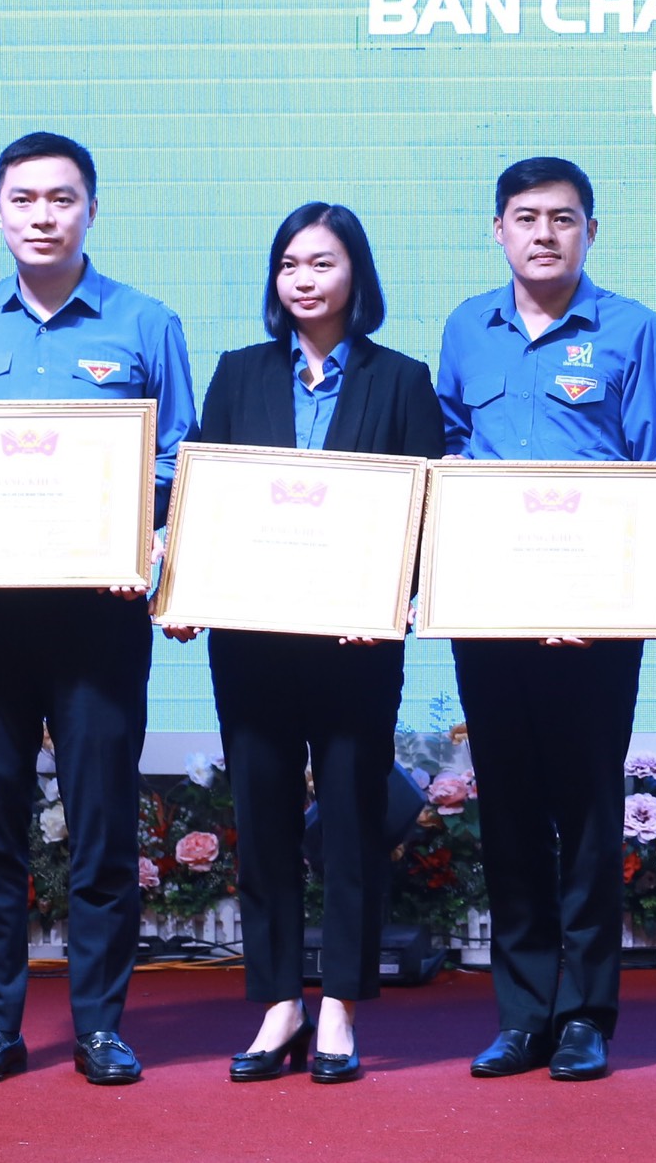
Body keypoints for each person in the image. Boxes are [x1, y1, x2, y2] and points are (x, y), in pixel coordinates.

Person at [0, 132, 195, 1086]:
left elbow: (178, 456)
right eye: (23, 199)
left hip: (96, 622)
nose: (42, 216)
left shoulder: (146, 322)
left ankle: (101, 1027)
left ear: (91, 210)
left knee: (103, 833)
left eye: (61, 199)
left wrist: (131, 524)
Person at [159, 204, 443, 1083]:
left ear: (357, 273)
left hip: (357, 644)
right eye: (289, 264)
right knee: (265, 819)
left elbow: (426, 509)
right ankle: (280, 1002)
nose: (304, 279)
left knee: (352, 821)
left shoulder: (402, 379)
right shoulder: (239, 372)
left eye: (322, 262)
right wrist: (184, 589)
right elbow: (202, 498)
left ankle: (342, 1005)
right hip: (252, 642)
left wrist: (392, 596)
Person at [437, 157, 656, 1082]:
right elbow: (449, 453)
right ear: (498, 229)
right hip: (492, 610)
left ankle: (584, 1014)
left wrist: (634, 593)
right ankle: (521, 1014)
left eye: (564, 218)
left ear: (591, 231)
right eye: (527, 217)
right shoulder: (467, 328)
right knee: (506, 809)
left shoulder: (633, 328)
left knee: (587, 812)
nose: (545, 234)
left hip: (596, 617)